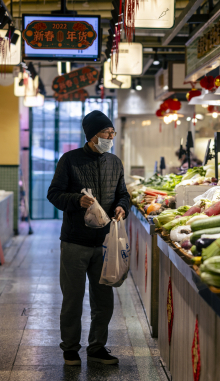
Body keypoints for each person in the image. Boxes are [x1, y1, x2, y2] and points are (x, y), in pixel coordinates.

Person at [47, 110, 131, 367]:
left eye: (112, 133)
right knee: (72, 299)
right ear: (92, 136)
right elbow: (54, 194)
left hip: (105, 244)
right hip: (75, 242)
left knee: (103, 301)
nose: (111, 137)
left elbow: (123, 194)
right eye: (106, 133)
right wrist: (76, 200)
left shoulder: (115, 162)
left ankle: (97, 347)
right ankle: (70, 349)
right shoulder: (70, 160)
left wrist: (121, 207)